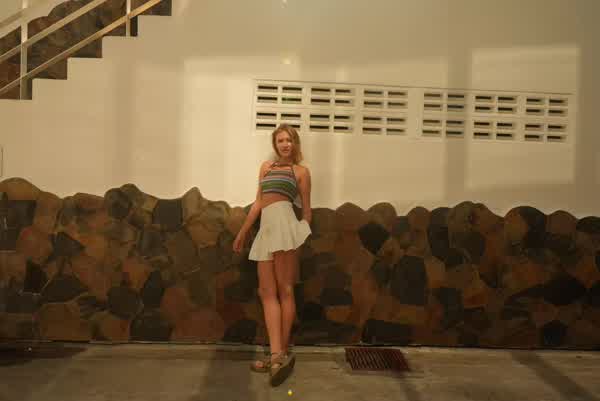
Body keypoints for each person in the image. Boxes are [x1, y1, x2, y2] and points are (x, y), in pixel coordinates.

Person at [232, 123, 312, 387]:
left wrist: (299, 235)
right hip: (266, 229)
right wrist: (243, 231)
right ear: (275, 145)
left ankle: (279, 354)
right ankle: (277, 354)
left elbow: (306, 210)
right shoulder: (266, 167)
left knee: (285, 289)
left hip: (285, 227)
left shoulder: (301, 172)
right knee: (266, 292)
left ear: (295, 143)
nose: (285, 144)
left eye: (289, 140)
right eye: (280, 141)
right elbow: (259, 202)